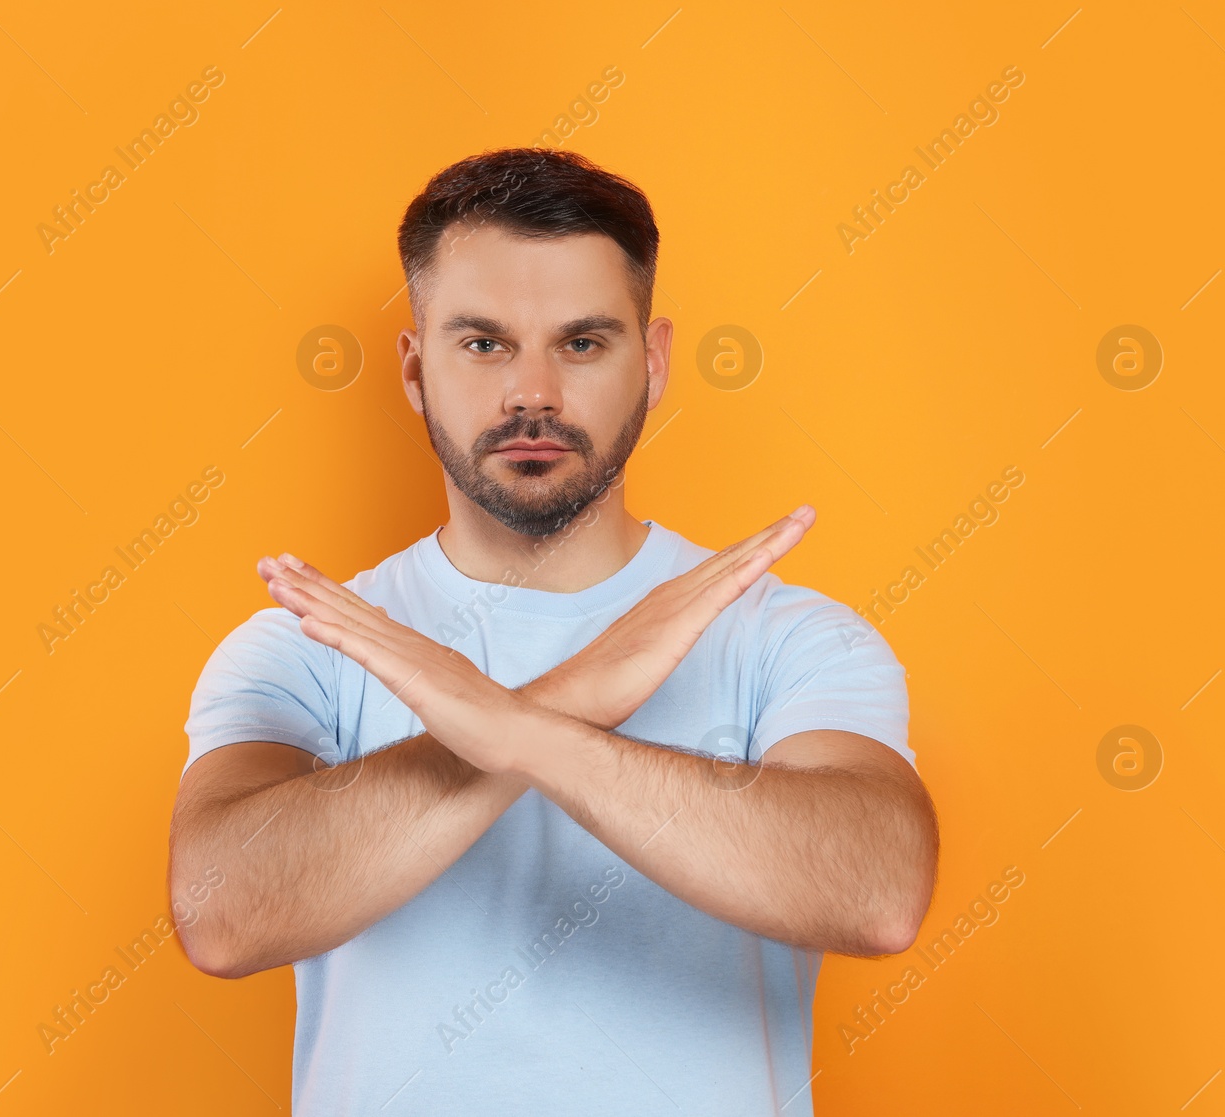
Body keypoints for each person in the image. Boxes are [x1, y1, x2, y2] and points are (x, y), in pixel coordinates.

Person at [167, 147, 938, 1116]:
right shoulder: (311, 642)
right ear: (414, 369)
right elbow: (217, 914)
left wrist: (514, 727)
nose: (531, 394)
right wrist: (575, 697)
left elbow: (876, 891)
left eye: (581, 344)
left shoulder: (784, 637)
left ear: (651, 363)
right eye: (483, 343)